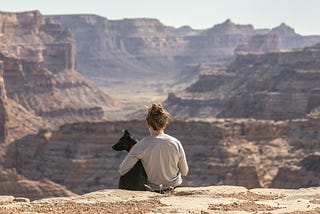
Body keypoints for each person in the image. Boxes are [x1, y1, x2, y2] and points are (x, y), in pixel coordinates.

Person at [119, 103, 189, 193]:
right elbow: (184, 172)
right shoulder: (176, 143)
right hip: (175, 188)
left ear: (148, 124)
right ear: (165, 125)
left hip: (154, 191)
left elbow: (122, 170)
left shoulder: (141, 145)